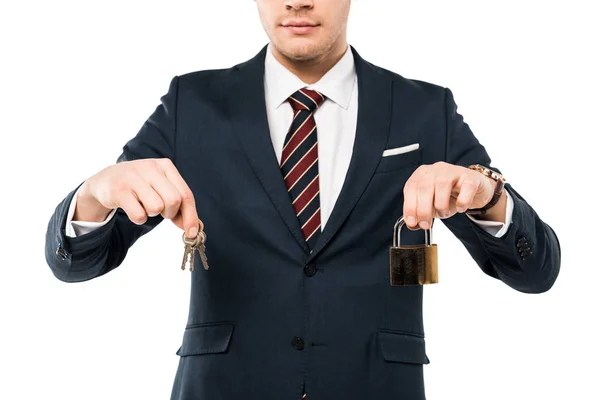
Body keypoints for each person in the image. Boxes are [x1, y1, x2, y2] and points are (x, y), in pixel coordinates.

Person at [44, 0, 561, 398]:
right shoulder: (192, 103)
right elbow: (79, 263)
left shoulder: (424, 108)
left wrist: (489, 196)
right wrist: (93, 195)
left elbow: (535, 271)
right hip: (225, 386)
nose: (297, 0)